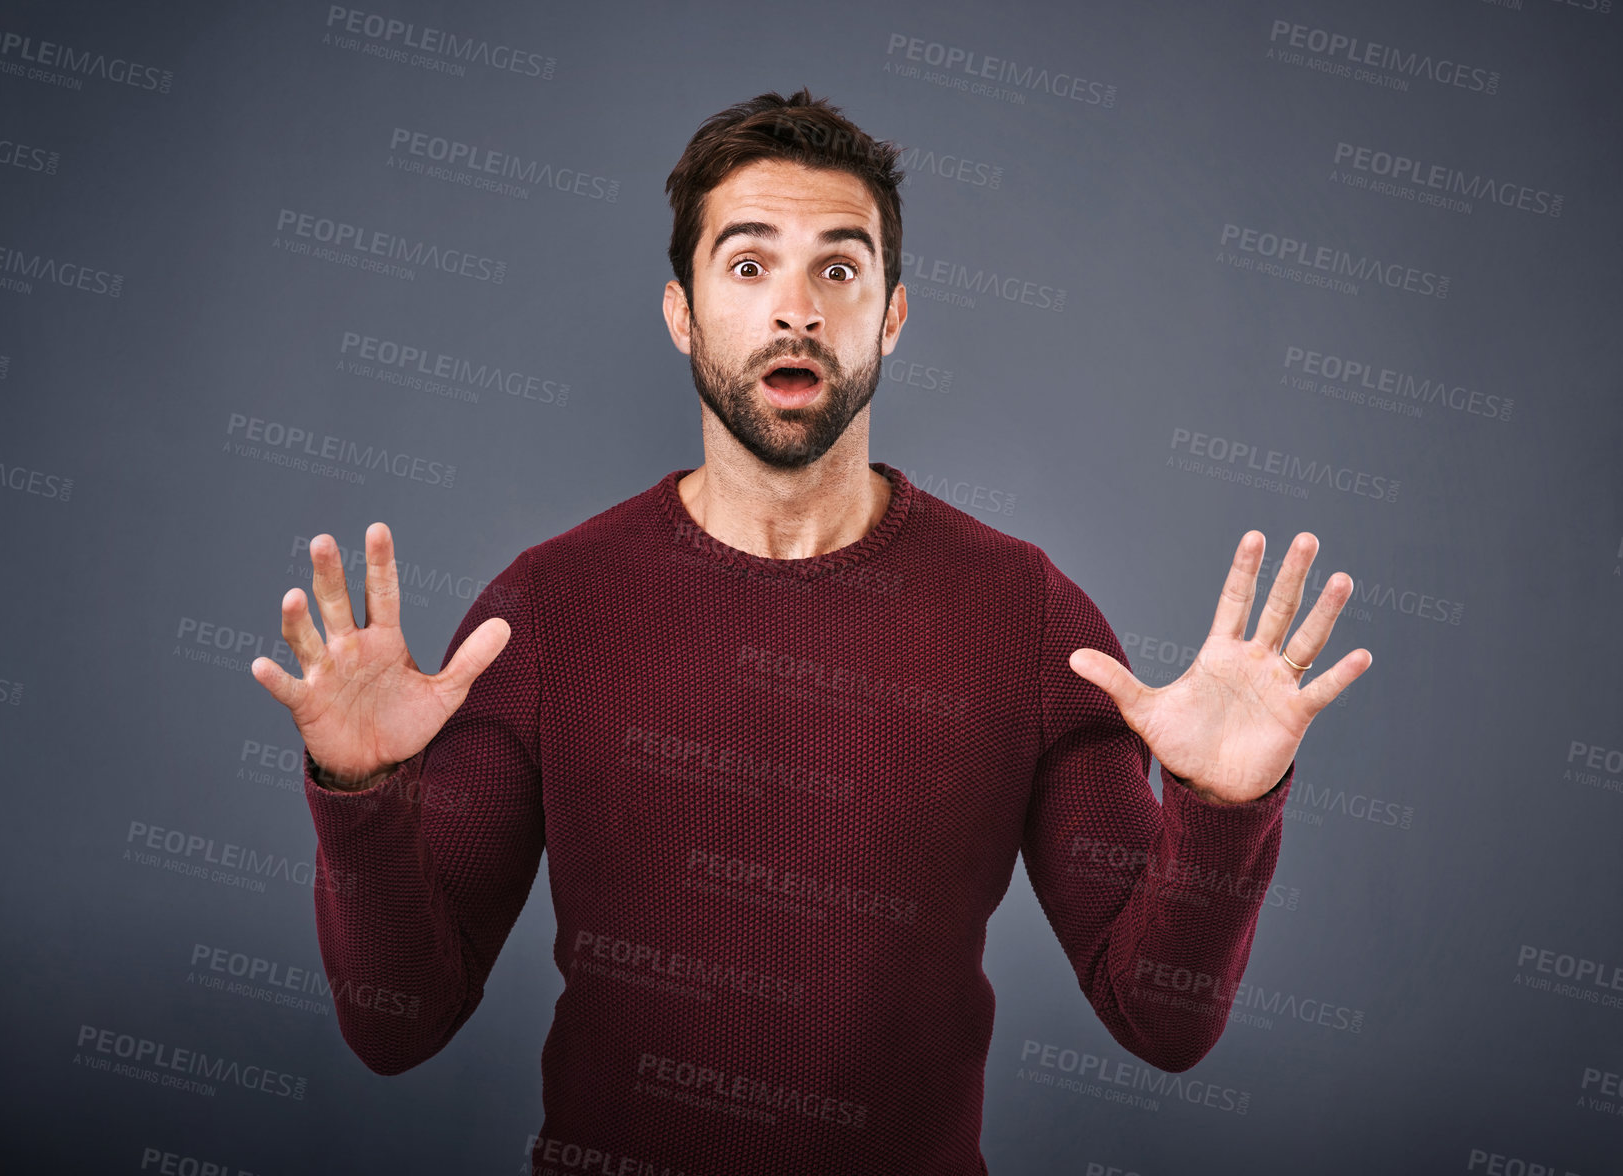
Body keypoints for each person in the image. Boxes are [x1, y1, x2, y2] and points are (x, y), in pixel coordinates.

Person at [251, 88, 1371, 1175]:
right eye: (749, 265)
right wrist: (359, 802)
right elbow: (397, 1028)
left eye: (839, 267)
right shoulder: (542, 614)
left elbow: (1161, 1025)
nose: (798, 309)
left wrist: (1222, 814)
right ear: (681, 310)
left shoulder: (1028, 618)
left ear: (890, 312)